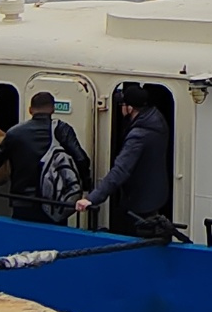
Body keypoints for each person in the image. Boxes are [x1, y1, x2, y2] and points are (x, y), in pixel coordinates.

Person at [0, 88, 92, 219]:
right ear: (53, 110)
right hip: (54, 201)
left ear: (30, 110)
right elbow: (81, 159)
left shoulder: (15, 133)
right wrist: (85, 187)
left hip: (21, 201)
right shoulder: (62, 130)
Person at [75, 87, 176, 240]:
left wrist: (91, 198)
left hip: (140, 201)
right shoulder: (156, 119)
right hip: (156, 195)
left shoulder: (139, 136)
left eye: (122, 105)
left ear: (129, 108)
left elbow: (121, 170)